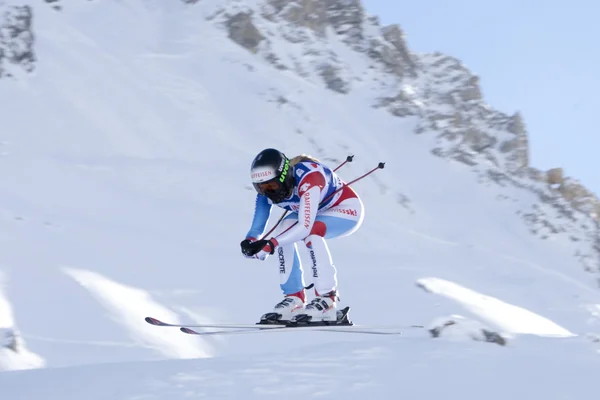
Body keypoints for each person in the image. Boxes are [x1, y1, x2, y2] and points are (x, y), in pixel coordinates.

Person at [240, 148, 364, 322]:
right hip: (316, 212)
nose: (268, 192)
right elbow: (257, 228)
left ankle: (327, 299)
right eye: (262, 187)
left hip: (345, 209)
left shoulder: (310, 179)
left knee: (312, 233)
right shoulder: (265, 193)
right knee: (284, 228)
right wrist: (251, 243)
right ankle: (294, 298)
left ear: (284, 177)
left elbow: (304, 226)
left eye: (272, 186)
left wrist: (270, 245)